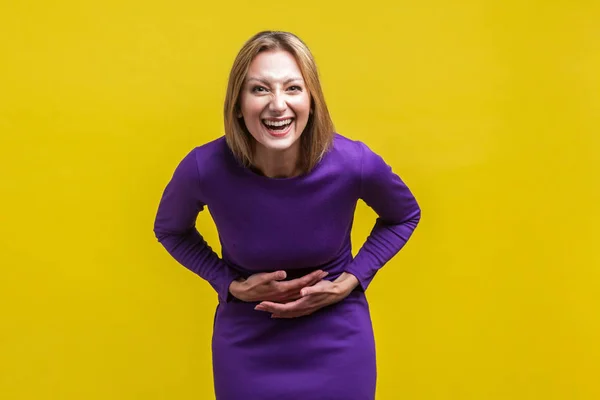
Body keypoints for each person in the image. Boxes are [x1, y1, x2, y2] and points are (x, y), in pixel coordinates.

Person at [153, 30, 421, 400]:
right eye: (260, 89)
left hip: (338, 339)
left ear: (312, 100)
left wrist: (350, 281)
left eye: (292, 88)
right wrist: (228, 283)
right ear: (237, 103)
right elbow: (170, 229)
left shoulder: (353, 163)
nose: (277, 105)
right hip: (247, 342)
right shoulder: (204, 168)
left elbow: (404, 214)